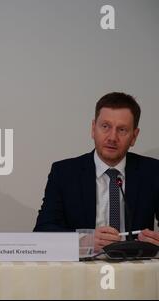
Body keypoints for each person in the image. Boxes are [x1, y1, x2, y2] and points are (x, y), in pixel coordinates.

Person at [34, 92, 159, 252]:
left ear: (134, 136)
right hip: (82, 270)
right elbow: (42, 231)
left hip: (136, 270)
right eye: (105, 126)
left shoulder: (152, 172)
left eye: (122, 130)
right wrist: (84, 240)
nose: (112, 137)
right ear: (93, 129)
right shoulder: (64, 173)